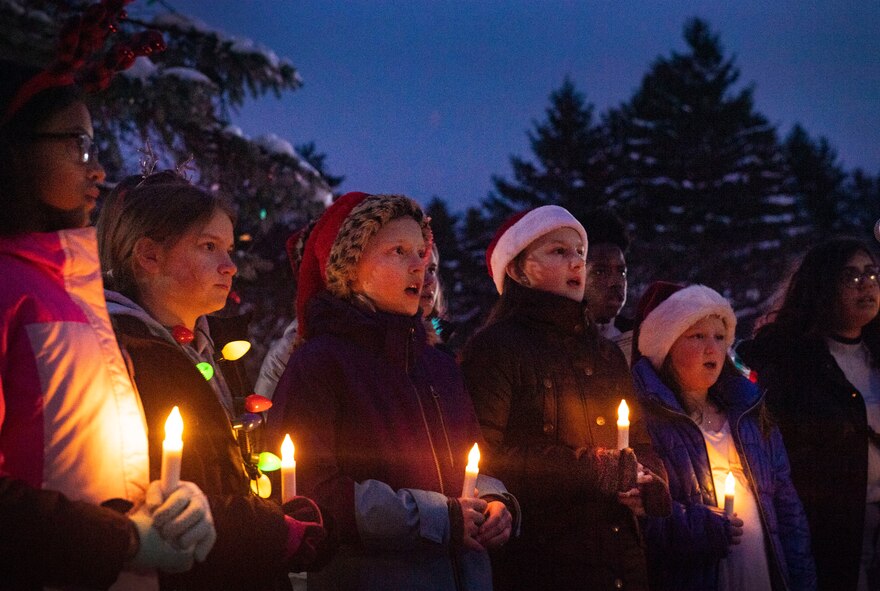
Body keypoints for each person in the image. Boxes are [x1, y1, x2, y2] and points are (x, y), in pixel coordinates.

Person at [0, 59, 215, 589]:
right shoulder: (8, 287)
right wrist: (126, 541)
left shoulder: (77, 294)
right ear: (14, 148)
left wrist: (165, 499)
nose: (96, 168)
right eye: (78, 144)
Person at [268, 191, 517, 590]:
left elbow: (476, 459)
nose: (418, 265)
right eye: (398, 251)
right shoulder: (320, 365)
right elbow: (311, 491)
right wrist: (438, 518)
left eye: (421, 251)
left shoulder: (438, 366)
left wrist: (497, 502)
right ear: (349, 269)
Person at [97, 170, 331, 590]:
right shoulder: (130, 357)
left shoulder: (210, 351)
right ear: (149, 257)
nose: (230, 266)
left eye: (228, 247)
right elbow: (170, 499)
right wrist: (272, 529)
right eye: (209, 247)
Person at [460, 205, 671, 591]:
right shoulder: (495, 349)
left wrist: (650, 485)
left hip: (620, 560)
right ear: (517, 269)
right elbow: (484, 456)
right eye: (559, 252)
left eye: (579, 252)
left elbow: (640, 444)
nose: (576, 263)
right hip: (543, 563)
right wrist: (592, 468)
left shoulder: (606, 355)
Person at [631, 281, 816, 590]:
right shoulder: (647, 424)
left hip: (761, 574)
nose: (711, 348)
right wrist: (700, 527)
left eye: (719, 337)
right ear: (666, 346)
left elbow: (788, 512)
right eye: (697, 336)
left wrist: (802, 581)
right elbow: (642, 518)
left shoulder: (749, 415)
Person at [737, 237, 880, 591]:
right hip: (832, 533)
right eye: (851, 277)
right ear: (823, 287)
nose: (866, 286)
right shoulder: (791, 362)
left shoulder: (877, 354)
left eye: (872, 275)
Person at [581, 207, 634, 364]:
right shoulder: (553, 340)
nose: (615, 282)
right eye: (600, 272)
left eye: (621, 272)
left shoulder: (642, 341)